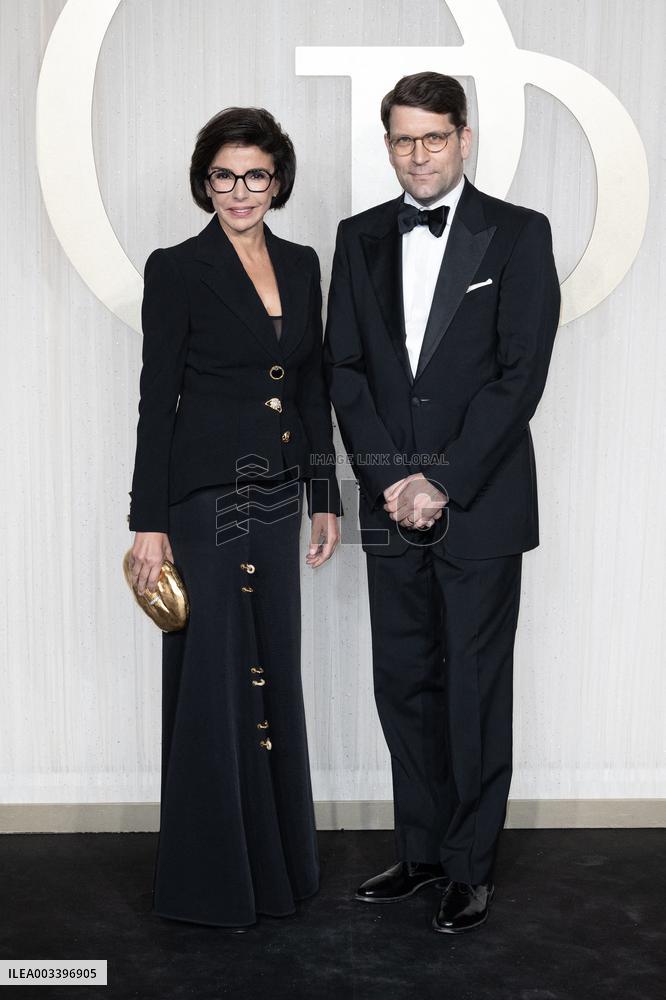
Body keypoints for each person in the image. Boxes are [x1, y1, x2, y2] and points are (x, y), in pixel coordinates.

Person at [324, 72, 560, 934]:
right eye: (401, 139)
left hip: (481, 502)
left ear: (464, 138)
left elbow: (518, 376)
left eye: (432, 137)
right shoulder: (358, 238)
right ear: (386, 144)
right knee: (405, 684)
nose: (417, 155)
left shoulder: (518, 235)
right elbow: (343, 369)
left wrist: (443, 480)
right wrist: (391, 478)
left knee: (473, 686)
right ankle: (422, 852)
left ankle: (469, 865)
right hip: (392, 503)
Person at [128, 107, 341, 930]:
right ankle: (211, 880)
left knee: (270, 668)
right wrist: (148, 520)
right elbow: (157, 400)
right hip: (205, 500)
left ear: (277, 180)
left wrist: (325, 494)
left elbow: (313, 387)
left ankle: (277, 867)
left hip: (278, 493)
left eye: (256, 175)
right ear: (204, 181)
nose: (240, 191)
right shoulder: (177, 267)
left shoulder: (302, 262)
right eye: (224, 175)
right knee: (216, 679)